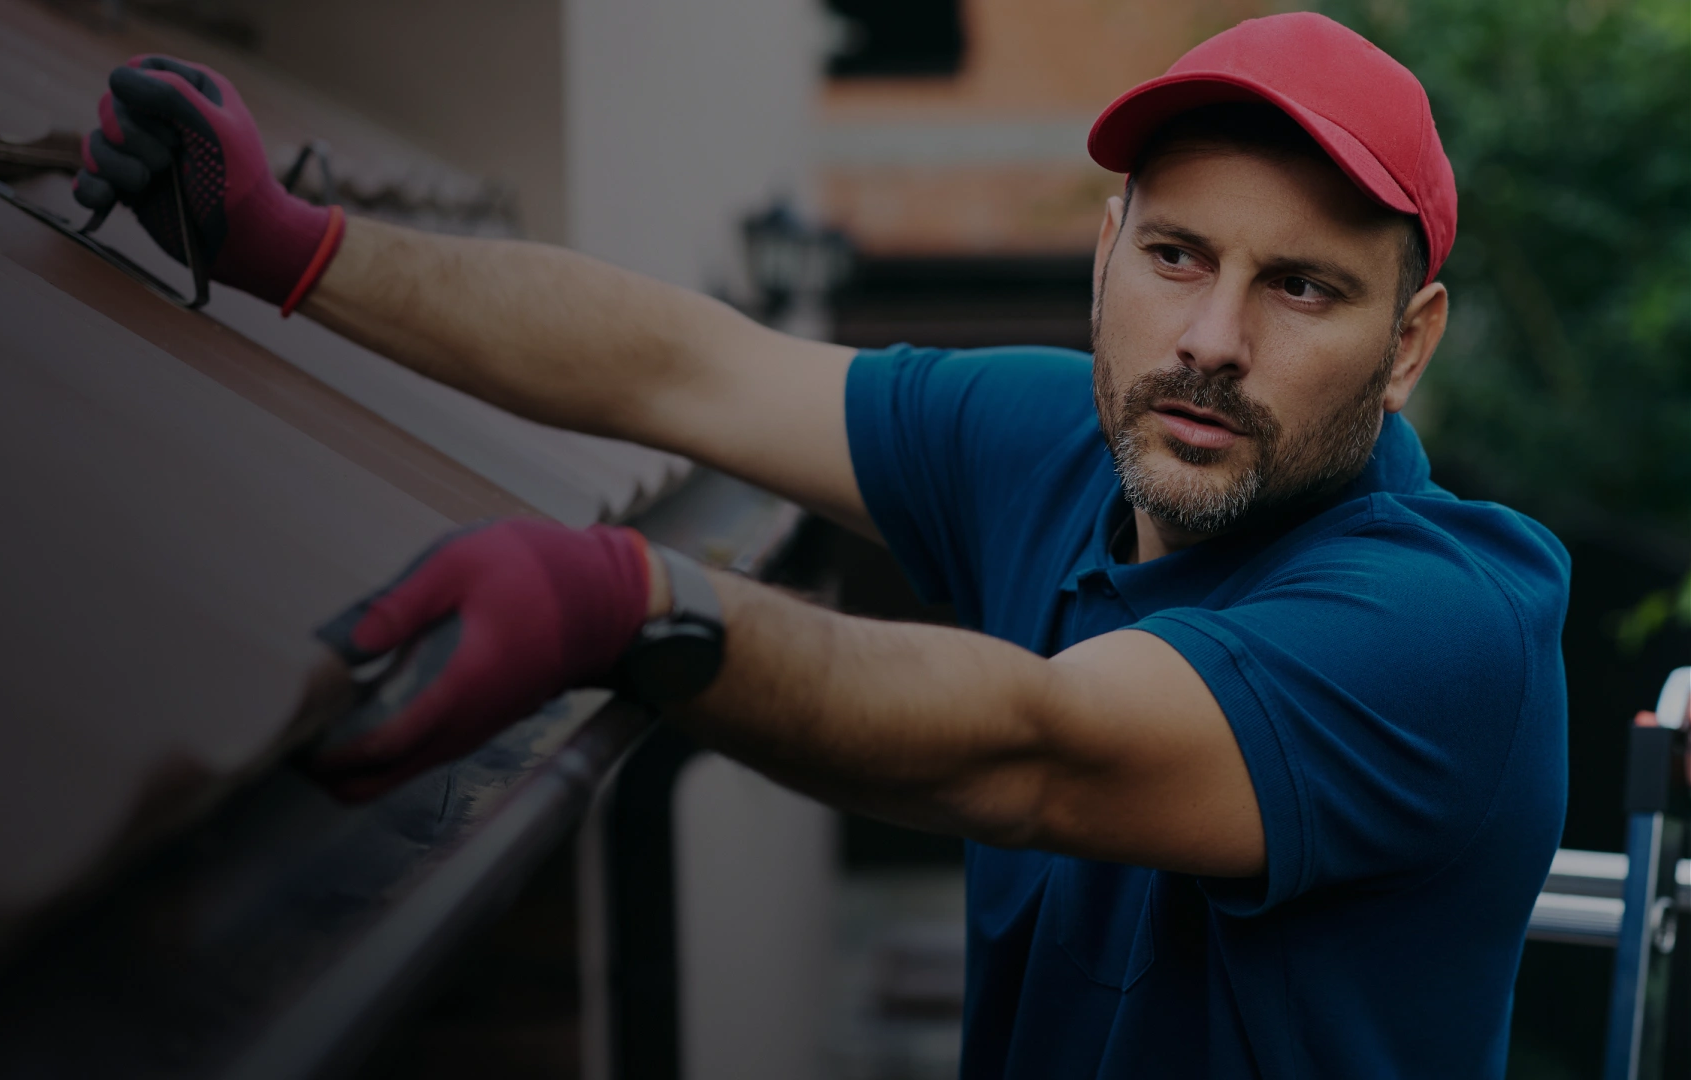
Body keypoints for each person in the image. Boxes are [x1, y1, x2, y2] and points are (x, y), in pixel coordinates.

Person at [75, 12, 1568, 1076]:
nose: (1212, 340)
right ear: (1107, 252)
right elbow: (684, 368)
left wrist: (631, 605)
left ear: (1408, 344)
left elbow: (1034, 751)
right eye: (1178, 255)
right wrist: (291, 247)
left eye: (1302, 289)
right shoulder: (1061, 443)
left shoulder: (1442, 628)